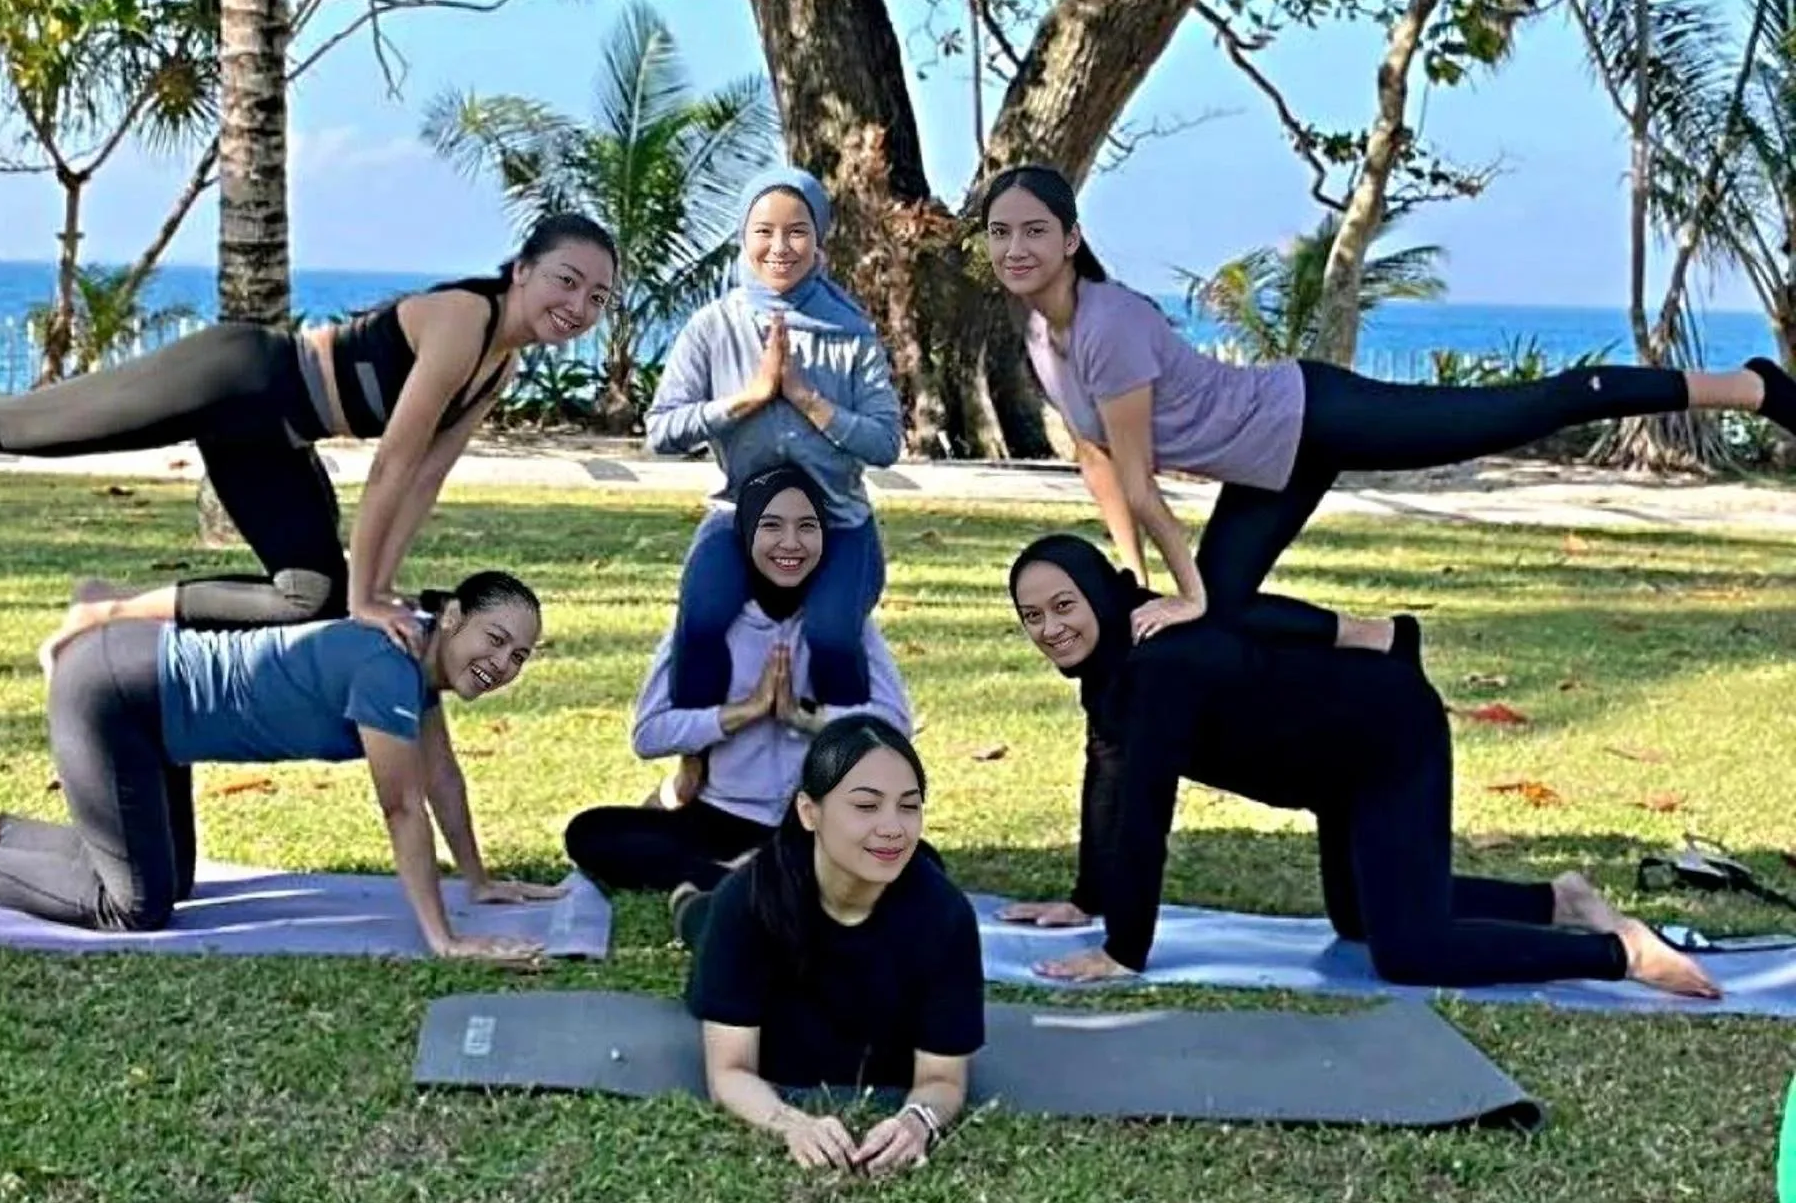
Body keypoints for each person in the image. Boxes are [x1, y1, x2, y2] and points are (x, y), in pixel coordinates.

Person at [981, 164, 1796, 640]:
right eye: (999, 234)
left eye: (1033, 231)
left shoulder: (1109, 324)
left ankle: (1752, 387)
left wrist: (1180, 588)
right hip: (1267, 466)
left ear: (1071, 238)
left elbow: (1137, 478)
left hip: (1310, 416)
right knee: (1220, 622)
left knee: (1524, 409)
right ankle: (1381, 642)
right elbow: (1096, 467)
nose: (1015, 249)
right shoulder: (1041, 341)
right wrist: (1133, 574)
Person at [0, 215, 619, 639]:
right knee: (1, 425)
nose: (576, 306)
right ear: (521, 268)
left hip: (276, 439)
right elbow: (392, 465)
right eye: (565, 281)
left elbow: (425, 483)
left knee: (306, 598)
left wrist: (372, 593)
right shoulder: (463, 318)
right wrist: (371, 597)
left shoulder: (498, 365)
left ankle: (105, 610)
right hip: (236, 378)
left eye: (596, 298)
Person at [1002, 533, 1720, 999]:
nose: (1052, 629)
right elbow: (1110, 775)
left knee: (1409, 950)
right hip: (1329, 764)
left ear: (1099, 591)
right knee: (1357, 919)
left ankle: (1617, 952)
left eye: (1064, 605)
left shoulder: (1157, 666)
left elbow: (1146, 812)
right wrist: (1087, 898)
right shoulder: (1112, 668)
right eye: (1032, 617)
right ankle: (1556, 901)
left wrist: (1124, 949)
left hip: (1385, 737)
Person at [0, 571, 563, 963]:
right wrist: (444, 938)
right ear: (458, 613)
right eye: (496, 639)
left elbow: (441, 779)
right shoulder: (389, 664)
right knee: (133, 907)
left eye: (519, 658)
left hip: (149, 703)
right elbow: (402, 807)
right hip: (118, 693)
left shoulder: (417, 659)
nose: (500, 665)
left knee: (170, 879)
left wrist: (479, 878)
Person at [564, 465, 915, 908]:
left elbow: (895, 730)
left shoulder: (846, 627)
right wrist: (743, 712)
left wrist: (808, 720)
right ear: (746, 536)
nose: (790, 544)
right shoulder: (705, 625)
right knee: (590, 833)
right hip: (723, 817)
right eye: (772, 526)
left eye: (807, 527)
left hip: (813, 820)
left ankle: (749, 879)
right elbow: (649, 733)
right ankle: (744, 878)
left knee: (919, 864)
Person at [682, 714, 984, 1175]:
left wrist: (916, 1122)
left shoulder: (943, 914)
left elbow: (943, 1078)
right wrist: (792, 1124)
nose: (892, 828)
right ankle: (685, 900)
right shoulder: (747, 902)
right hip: (743, 905)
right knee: (703, 919)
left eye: (909, 807)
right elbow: (728, 1072)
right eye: (866, 806)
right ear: (810, 811)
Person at [646, 167, 900, 706]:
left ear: (819, 239)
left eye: (797, 231)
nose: (779, 247)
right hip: (738, 517)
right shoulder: (713, 326)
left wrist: (810, 401)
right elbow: (661, 431)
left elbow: (885, 444)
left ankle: (850, 766)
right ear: (743, 237)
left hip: (838, 520)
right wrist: (749, 398)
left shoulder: (851, 334)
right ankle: (701, 762)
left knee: (831, 634)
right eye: (764, 231)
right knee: (701, 620)